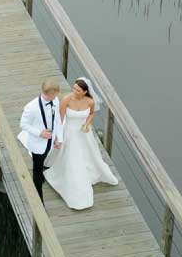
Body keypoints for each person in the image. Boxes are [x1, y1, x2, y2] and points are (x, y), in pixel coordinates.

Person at [44, 77, 118, 210]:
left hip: (83, 133)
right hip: (70, 133)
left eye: (77, 90)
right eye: (74, 88)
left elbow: (90, 115)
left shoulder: (90, 102)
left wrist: (87, 124)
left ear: (85, 92)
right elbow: (60, 120)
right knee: (73, 158)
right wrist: (58, 138)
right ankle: (74, 186)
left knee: (89, 155)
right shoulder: (67, 99)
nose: (74, 91)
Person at [17, 78, 62, 199]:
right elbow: (23, 124)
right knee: (37, 170)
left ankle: (40, 176)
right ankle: (38, 198)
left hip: (50, 142)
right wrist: (39, 133)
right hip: (37, 144)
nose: (57, 96)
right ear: (49, 93)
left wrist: (59, 138)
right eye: (56, 93)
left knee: (43, 161)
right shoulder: (31, 107)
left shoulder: (56, 101)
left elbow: (57, 120)